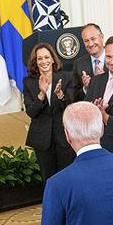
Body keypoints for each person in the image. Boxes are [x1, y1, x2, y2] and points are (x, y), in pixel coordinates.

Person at [22, 43, 76, 181]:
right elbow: (31, 112)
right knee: (49, 179)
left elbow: (71, 107)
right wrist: (41, 93)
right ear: (35, 62)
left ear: (53, 59)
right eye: (39, 59)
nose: (44, 61)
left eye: (46, 57)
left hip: (65, 137)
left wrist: (60, 95)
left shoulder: (67, 77)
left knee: (68, 176)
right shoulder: (29, 82)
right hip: (42, 139)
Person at [74, 23, 106, 99]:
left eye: (93, 39)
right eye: (86, 41)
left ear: (101, 37)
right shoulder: (79, 64)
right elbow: (74, 96)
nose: (90, 44)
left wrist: (106, 81)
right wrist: (86, 88)